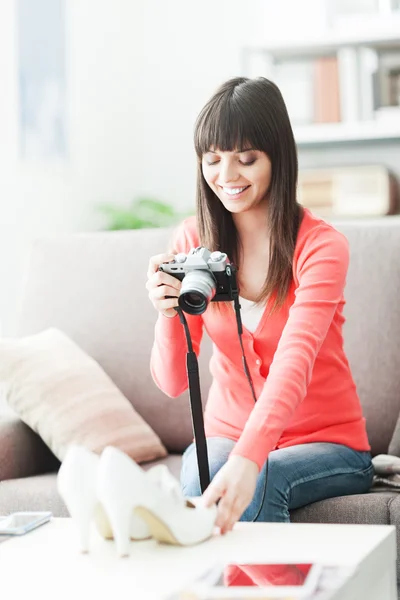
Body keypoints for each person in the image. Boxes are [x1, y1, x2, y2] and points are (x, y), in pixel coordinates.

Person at [146, 76, 373, 535]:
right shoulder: (192, 240)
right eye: (213, 160)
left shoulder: (320, 246)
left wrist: (250, 458)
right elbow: (173, 383)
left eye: (246, 159)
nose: (227, 177)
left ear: (277, 157)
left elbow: (295, 361)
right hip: (224, 433)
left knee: (260, 478)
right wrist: (167, 313)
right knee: (200, 477)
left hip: (327, 441)